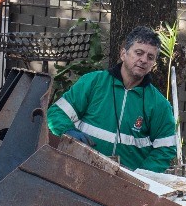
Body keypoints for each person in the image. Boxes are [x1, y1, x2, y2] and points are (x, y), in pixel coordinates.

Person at [47, 26, 178, 172]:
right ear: (123, 54)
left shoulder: (159, 104)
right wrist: (68, 130)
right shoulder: (93, 82)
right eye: (138, 53)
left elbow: (165, 149)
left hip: (125, 185)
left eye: (150, 57)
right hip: (79, 170)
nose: (143, 60)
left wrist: (142, 177)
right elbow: (56, 113)